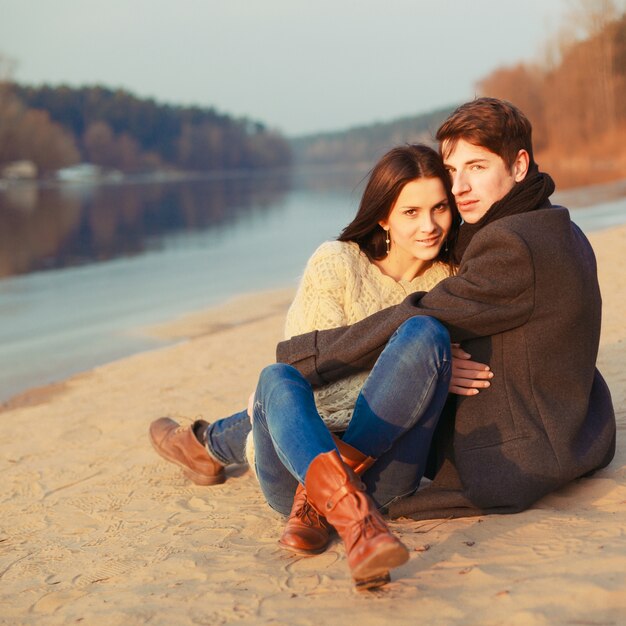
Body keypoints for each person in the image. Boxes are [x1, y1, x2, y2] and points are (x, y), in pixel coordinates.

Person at [150, 144, 490, 590]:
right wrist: (426, 376)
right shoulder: (338, 263)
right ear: (383, 217)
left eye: (439, 207)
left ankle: (208, 445)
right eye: (410, 212)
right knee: (276, 379)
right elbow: (306, 371)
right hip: (295, 474)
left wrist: (431, 364)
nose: (428, 225)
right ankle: (357, 523)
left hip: (388, 474)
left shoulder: (450, 279)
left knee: (425, 334)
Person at [276, 97, 616, 521]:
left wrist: (312, 355)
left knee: (298, 381)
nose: (459, 189)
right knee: (278, 395)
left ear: (519, 165)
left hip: (519, 451)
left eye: (477, 167)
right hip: (576, 430)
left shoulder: (512, 243)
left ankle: (235, 435)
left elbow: (423, 311)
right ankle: (216, 437)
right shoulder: (559, 226)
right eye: (452, 171)